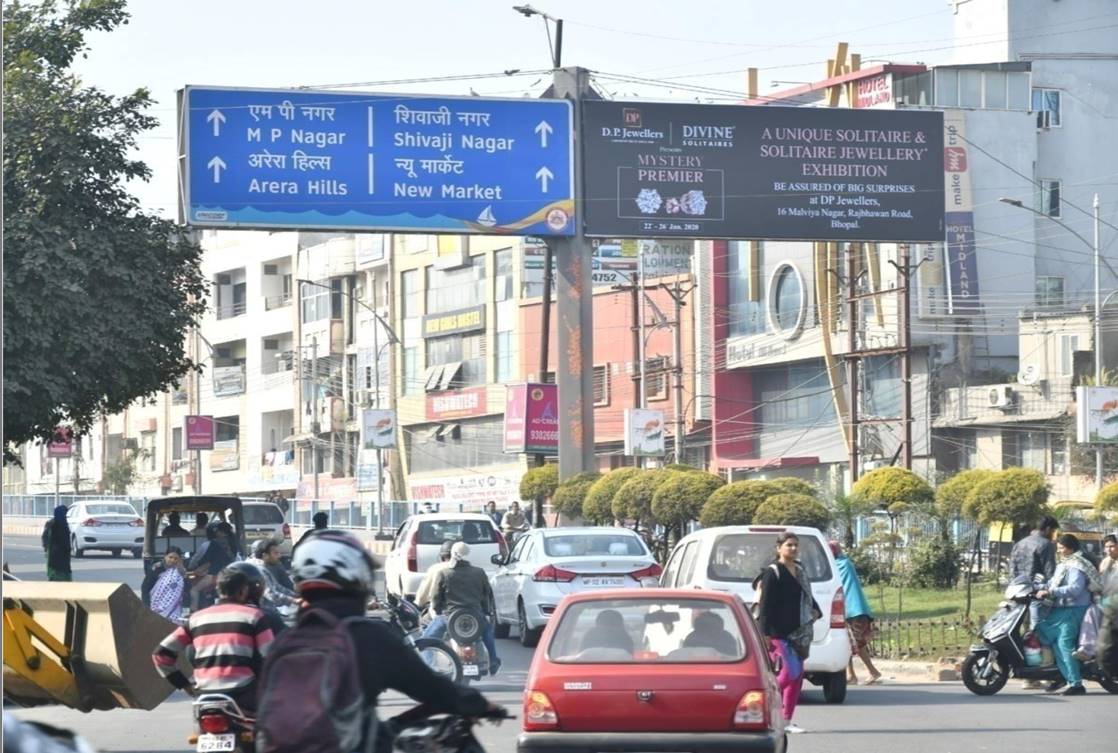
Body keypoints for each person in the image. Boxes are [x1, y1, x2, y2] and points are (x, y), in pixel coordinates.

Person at [259, 529, 499, 752]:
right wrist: (477, 702)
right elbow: (430, 686)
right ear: (356, 577)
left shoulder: (286, 640)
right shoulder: (366, 636)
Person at [152, 562, 275, 712]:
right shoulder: (254, 616)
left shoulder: (196, 619)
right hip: (243, 694)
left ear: (218, 590)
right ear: (243, 591)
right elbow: (270, 657)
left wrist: (185, 685)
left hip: (204, 695)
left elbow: (161, 655)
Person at [753, 532, 821, 735]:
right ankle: (760, 702)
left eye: (795, 545)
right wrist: (765, 634)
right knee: (789, 672)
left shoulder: (799, 570)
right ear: (779, 548)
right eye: (789, 545)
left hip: (798, 632)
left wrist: (816, 610)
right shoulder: (773, 572)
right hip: (777, 632)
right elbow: (765, 606)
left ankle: (785, 720)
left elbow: (807, 595)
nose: (793, 548)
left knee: (798, 676)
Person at [1034, 533, 1104, 696]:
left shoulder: (1076, 565)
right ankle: (1064, 675)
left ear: (1071, 548)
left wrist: (1050, 591)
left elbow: (1075, 589)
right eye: (1057, 548)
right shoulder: (1064, 564)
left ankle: (1076, 683)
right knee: (1048, 636)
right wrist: (1036, 586)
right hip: (1060, 610)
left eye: (1062, 548)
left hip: (1074, 609)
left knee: (1064, 645)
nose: (1059, 551)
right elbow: (1052, 582)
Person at [428, 542, 501, 675]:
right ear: (468, 555)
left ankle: (428, 669)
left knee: (427, 639)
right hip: (475, 617)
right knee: (487, 632)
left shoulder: (444, 573)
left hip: (450, 617)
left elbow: (435, 597)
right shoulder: (479, 572)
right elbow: (486, 595)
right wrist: (486, 612)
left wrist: (438, 611)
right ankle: (493, 660)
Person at [830, 541, 882, 686]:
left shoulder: (839, 566)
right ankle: (852, 674)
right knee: (848, 643)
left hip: (853, 610)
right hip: (851, 610)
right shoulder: (845, 562)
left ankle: (872, 672)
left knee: (854, 643)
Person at [187, 521, 237, 611]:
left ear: (220, 532)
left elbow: (199, 560)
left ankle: (192, 613)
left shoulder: (211, 544)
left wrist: (191, 567)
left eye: (218, 530)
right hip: (230, 575)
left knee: (194, 590)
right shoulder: (234, 543)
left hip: (214, 576)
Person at [415, 540, 456, 618]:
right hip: (469, 616)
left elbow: (422, 596)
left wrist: (419, 603)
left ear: (442, 557)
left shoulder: (436, 569)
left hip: (443, 615)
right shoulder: (472, 570)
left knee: (423, 622)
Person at [147, 548, 187, 621]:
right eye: (170, 557)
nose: (172, 560)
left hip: (174, 608)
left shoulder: (180, 571)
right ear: (165, 557)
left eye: (176, 558)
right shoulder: (157, 568)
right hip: (155, 606)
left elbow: (184, 588)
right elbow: (146, 587)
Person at [41, 505, 72, 582]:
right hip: (55, 554)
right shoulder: (53, 525)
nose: (65, 516)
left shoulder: (62, 524)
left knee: (61, 573)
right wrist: (47, 547)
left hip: (59, 555)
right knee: (57, 574)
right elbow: (46, 537)